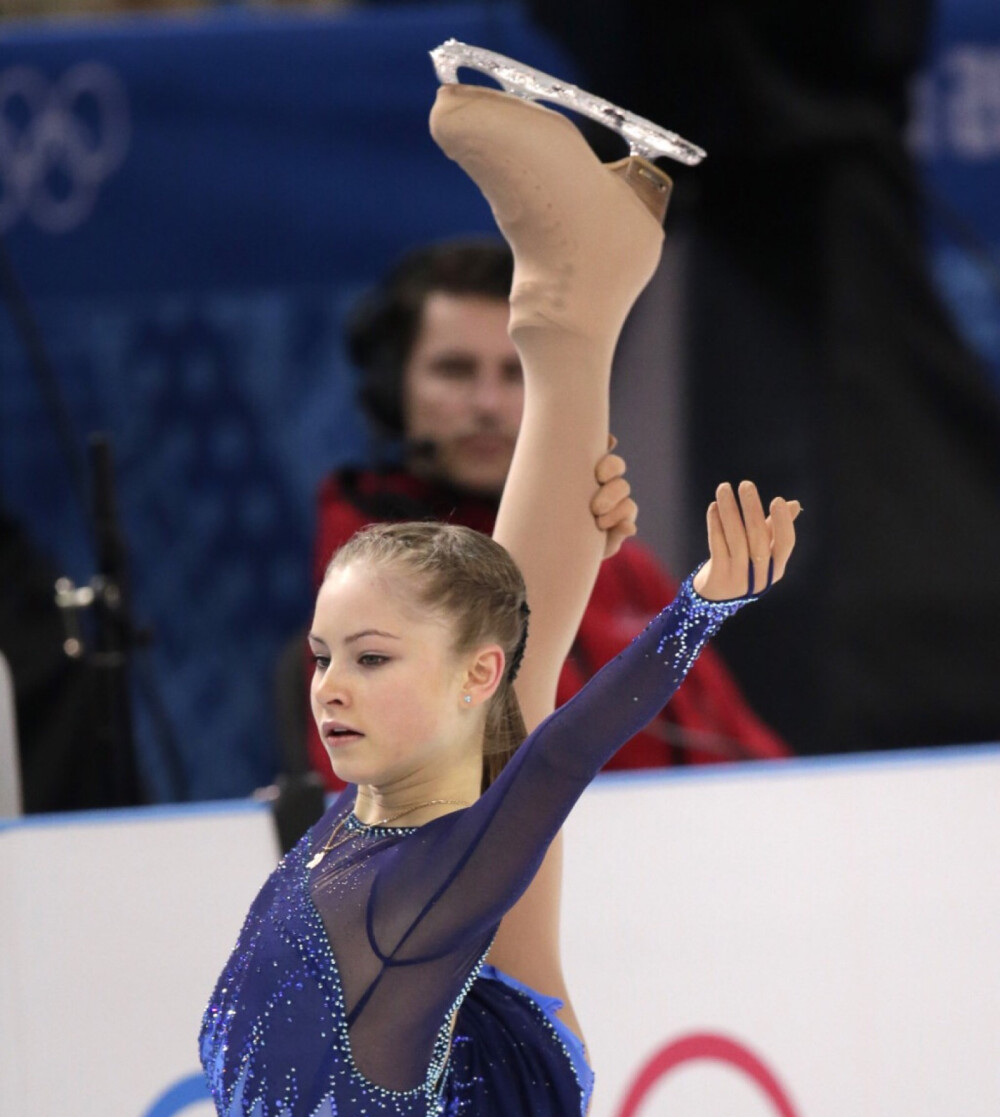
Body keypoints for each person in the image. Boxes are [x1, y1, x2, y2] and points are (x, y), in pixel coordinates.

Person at [201, 66, 799, 1117]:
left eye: (363, 661)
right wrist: (583, 539)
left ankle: (575, 300)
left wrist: (698, 611)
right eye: (324, 656)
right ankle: (573, 304)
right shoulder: (393, 794)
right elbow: (504, 681)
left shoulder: (435, 869)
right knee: (498, 680)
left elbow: (556, 744)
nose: (325, 688)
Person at [307, 240, 787, 786]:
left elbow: (750, 753)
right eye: (456, 370)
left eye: (517, 373)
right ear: (394, 392)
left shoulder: (622, 563)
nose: (488, 404)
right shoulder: (366, 569)